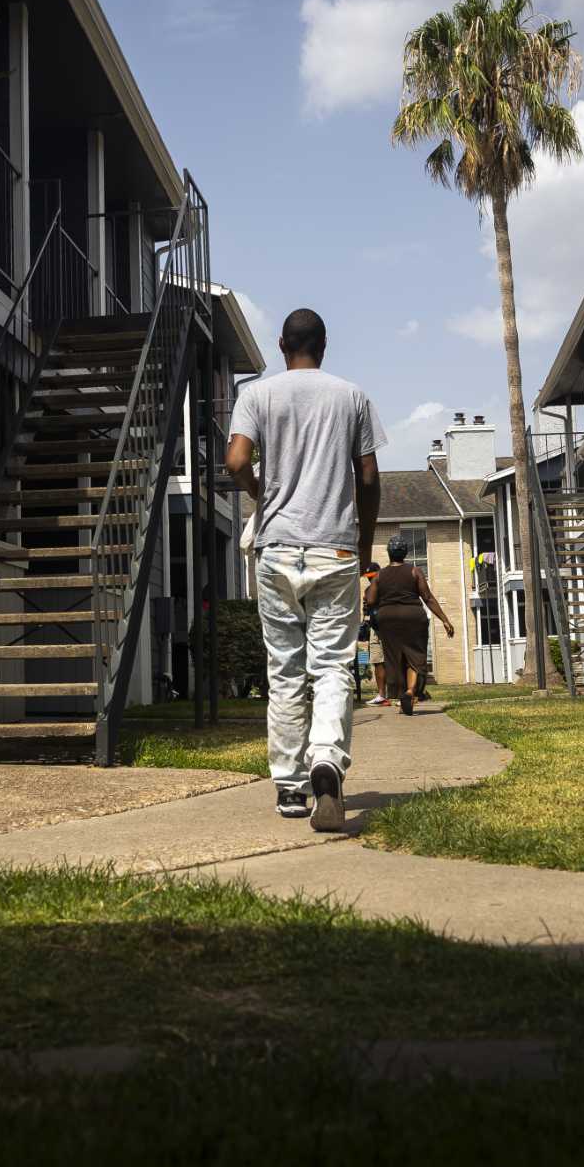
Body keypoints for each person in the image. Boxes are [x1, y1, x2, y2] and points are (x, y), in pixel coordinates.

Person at [224, 308, 386, 831]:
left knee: (284, 670)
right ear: (324, 344)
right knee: (333, 665)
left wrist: (259, 493)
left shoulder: (257, 396)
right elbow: (368, 476)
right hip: (335, 548)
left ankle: (291, 787)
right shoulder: (351, 396)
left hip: (276, 549)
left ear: (280, 344)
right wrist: (363, 541)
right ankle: (326, 760)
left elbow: (235, 462)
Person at [363, 536, 454, 714]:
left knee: (394, 658)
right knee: (414, 655)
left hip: (388, 620)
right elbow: (427, 597)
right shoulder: (415, 571)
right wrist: (444, 619)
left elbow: (371, 599)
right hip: (413, 617)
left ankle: (399, 691)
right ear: (405, 553)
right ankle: (411, 691)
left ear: (389, 553)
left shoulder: (380, 575)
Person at [360, 561, 391, 705]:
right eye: (368, 577)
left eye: (373, 576)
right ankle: (381, 695)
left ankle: (400, 692)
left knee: (394, 660)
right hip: (375, 628)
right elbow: (366, 612)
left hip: (390, 628)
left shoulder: (388, 588)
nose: (370, 579)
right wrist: (365, 607)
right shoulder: (367, 591)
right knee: (377, 661)